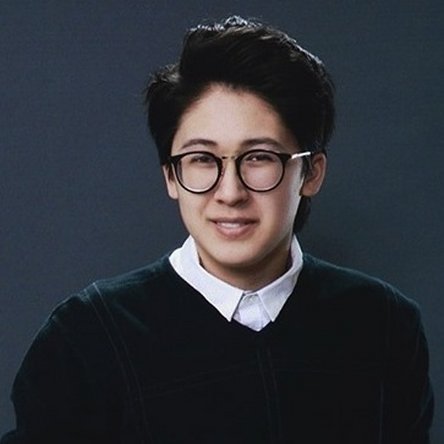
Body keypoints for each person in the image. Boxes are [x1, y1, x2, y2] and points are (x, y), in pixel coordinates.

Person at [2, 15, 433, 444]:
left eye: (259, 157)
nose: (230, 193)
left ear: (312, 172)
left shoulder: (384, 324)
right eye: (202, 160)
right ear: (171, 177)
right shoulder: (86, 337)